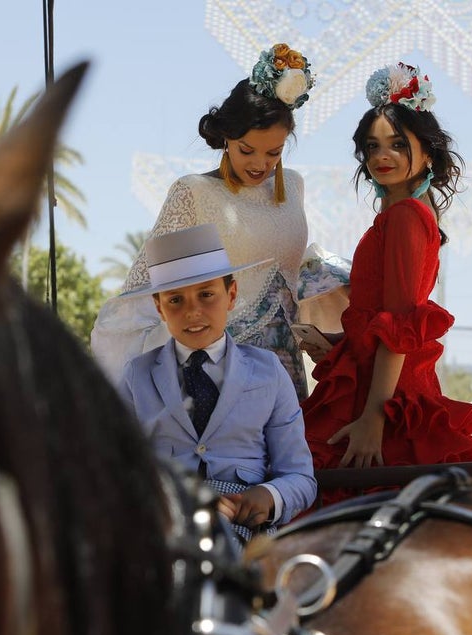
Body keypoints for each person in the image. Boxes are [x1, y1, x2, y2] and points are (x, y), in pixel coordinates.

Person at [91, 43, 349, 400]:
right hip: (221, 371)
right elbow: (146, 290)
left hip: (285, 370)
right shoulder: (196, 193)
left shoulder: (293, 186)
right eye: (247, 150)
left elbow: (287, 270)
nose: (260, 164)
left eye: (273, 153)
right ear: (227, 139)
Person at [300, 62, 472, 507]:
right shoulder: (404, 213)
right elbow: (384, 321)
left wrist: (375, 418)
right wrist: (338, 343)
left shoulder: (406, 216)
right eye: (373, 146)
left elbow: (401, 324)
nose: (381, 156)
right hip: (378, 384)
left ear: (427, 154)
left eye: (398, 144)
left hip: (385, 399)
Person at [116, 223, 316, 540]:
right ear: (159, 307)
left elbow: (300, 476)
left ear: (231, 295)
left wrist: (269, 496)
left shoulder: (268, 372)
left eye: (206, 295)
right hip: (167, 529)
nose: (193, 312)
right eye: (175, 300)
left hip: (245, 530)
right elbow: (116, 469)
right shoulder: (136, 376)